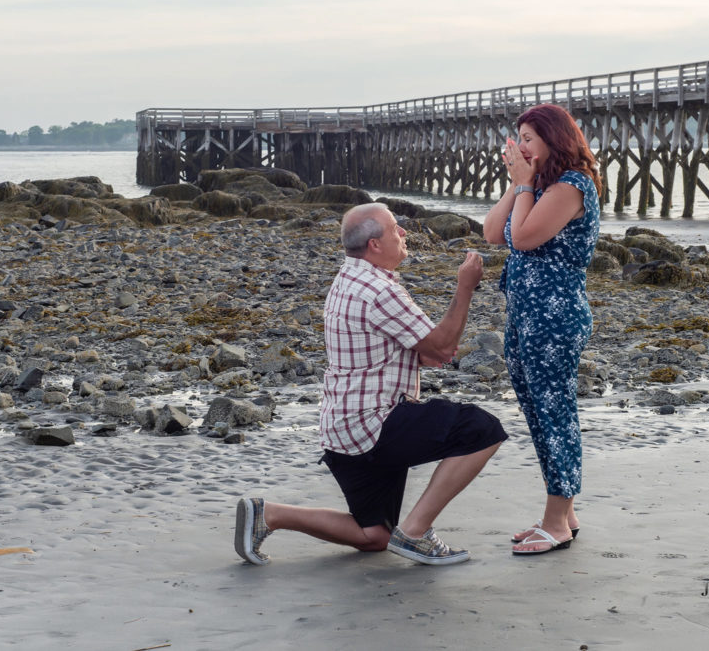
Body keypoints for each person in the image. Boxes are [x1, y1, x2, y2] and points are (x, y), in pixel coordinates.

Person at [235, 202, 507, 566]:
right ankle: (415, 534)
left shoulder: (349, 279)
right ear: (375, 245)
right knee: (482, 429)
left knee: (374, 535)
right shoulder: (380, 290)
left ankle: (269, 514)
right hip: (373, 426)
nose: (404, 233)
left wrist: (434, 347)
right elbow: (441, 347)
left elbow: (427, 353)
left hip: (341, 431)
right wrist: (465, 286)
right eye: (396, 228)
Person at [482, 104, 601, 555]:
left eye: (529, 137)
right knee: (537, 413)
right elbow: (496, 232)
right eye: (519, 138)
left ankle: (556, 521)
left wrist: (525, 184)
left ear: (554, 138)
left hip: (554, 319)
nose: (521, 146)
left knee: (555, 414)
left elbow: (526, 237)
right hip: (526, 318)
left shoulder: (572, 186)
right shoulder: (541, 186)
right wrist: (519, 184)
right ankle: (563, 514)